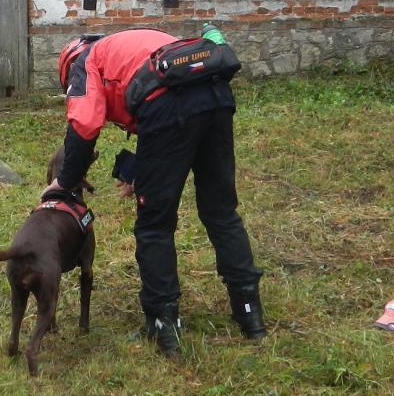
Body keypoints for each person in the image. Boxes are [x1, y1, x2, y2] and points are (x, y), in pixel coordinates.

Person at [49, 29, 265, 361]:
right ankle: (250, 313)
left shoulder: (86, 63)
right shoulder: (132, 44)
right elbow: (167, 119)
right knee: (220, 210)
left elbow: (83, 126)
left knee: (155, 224)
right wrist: (142, 172)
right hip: (216, 98)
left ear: (69, 67)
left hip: (170, 107)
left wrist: (64, 182)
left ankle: (163, 325)